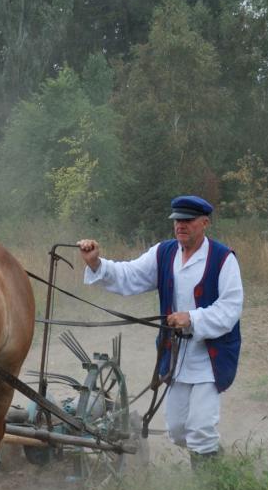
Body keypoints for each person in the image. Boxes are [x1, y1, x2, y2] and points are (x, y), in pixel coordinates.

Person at [76, 196, 242, 470]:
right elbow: (129, 275)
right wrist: (96, 264)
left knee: (200, 428)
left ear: (204, 223)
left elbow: (231, 307)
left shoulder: (223, 259)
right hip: (175, 355)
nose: (180, 225)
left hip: (210, 356)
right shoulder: (163, 253)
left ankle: (211, 488)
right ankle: (216, 456)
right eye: (177, 220)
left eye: (187, 220)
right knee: (177, 431)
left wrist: (192, 318)